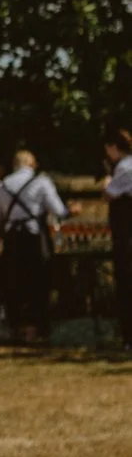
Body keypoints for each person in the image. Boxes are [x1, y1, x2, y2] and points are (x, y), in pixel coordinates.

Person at [0, 150, 66, 345]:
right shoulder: (41, 182)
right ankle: (37, 327)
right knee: (38, 281)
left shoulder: (2, 185)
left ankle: (19, 327)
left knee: (15, 281)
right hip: (35, 236)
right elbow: (58, 210)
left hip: (13, 238)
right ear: (32, 163)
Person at [105, 126, 132, 348]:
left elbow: (109, 193)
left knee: (126, 282)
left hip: (127, 236)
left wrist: (106, 177)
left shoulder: (124, 167)